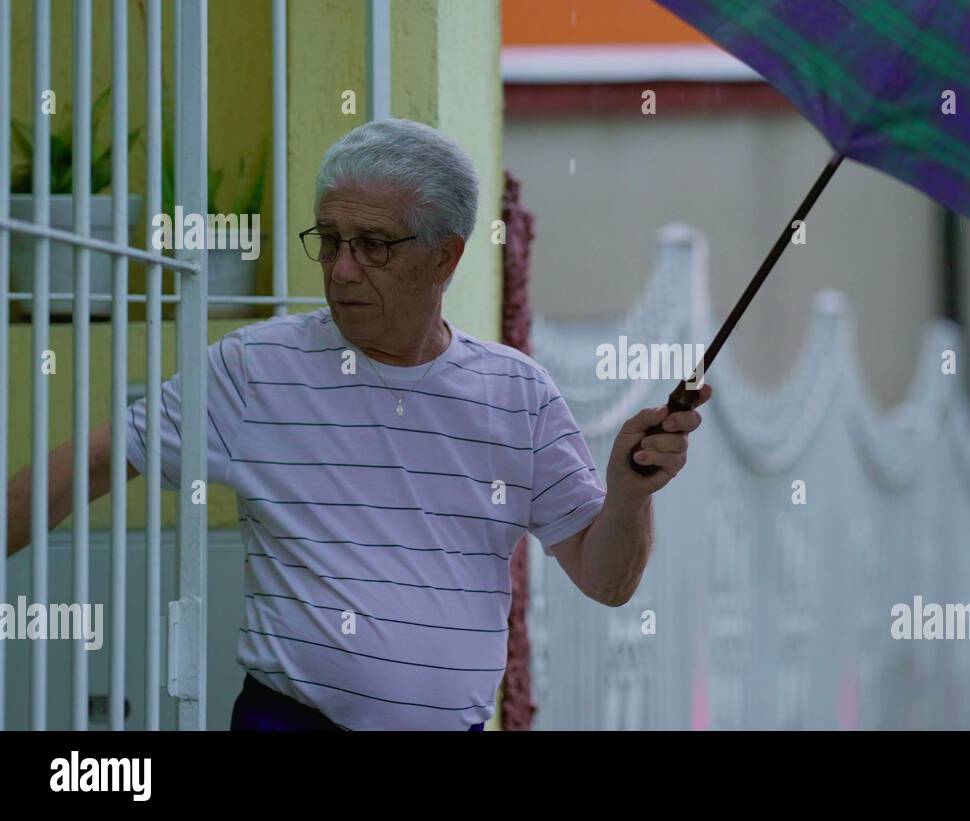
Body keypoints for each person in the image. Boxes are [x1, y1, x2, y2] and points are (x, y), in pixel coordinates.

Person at [5, 118, 711, 730]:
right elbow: (97, 461)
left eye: (373, 245)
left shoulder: (516, 393)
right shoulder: (256, 368)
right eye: (331, 239)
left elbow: (606, 579)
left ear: (446, 255)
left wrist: (629, 493)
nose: (342, 270)